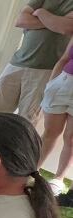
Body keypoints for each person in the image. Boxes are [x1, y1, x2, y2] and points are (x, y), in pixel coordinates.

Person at [0, 0, 73, 124]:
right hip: (16, 63)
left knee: (26, 122)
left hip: (46, 69)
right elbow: (21, 20)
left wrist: (41, 13)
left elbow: (66, 28)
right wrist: (53, 21)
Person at [40, 36, 73, 195]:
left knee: (71, 138)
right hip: (63, 84)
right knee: (50, 132)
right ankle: (31, 170)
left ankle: (58, 179)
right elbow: (65, 58)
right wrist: (52, 83)